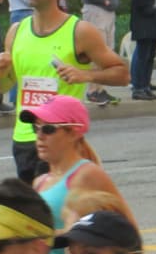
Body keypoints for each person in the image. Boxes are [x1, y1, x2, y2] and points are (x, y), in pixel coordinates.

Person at [0, 0, 129, 184]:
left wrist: (86, 75)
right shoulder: (17, 31)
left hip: (61, 141)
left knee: (57, 214)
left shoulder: (79, 31)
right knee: (32, 216)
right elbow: (4, 86)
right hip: (24, 140)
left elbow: (122, 73)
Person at [24, 95, 127, 235]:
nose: (40, 136)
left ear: (73, 133)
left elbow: (128, 228)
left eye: (48, 129)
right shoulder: (39, 182)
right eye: (36, 128)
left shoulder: (87, 174)